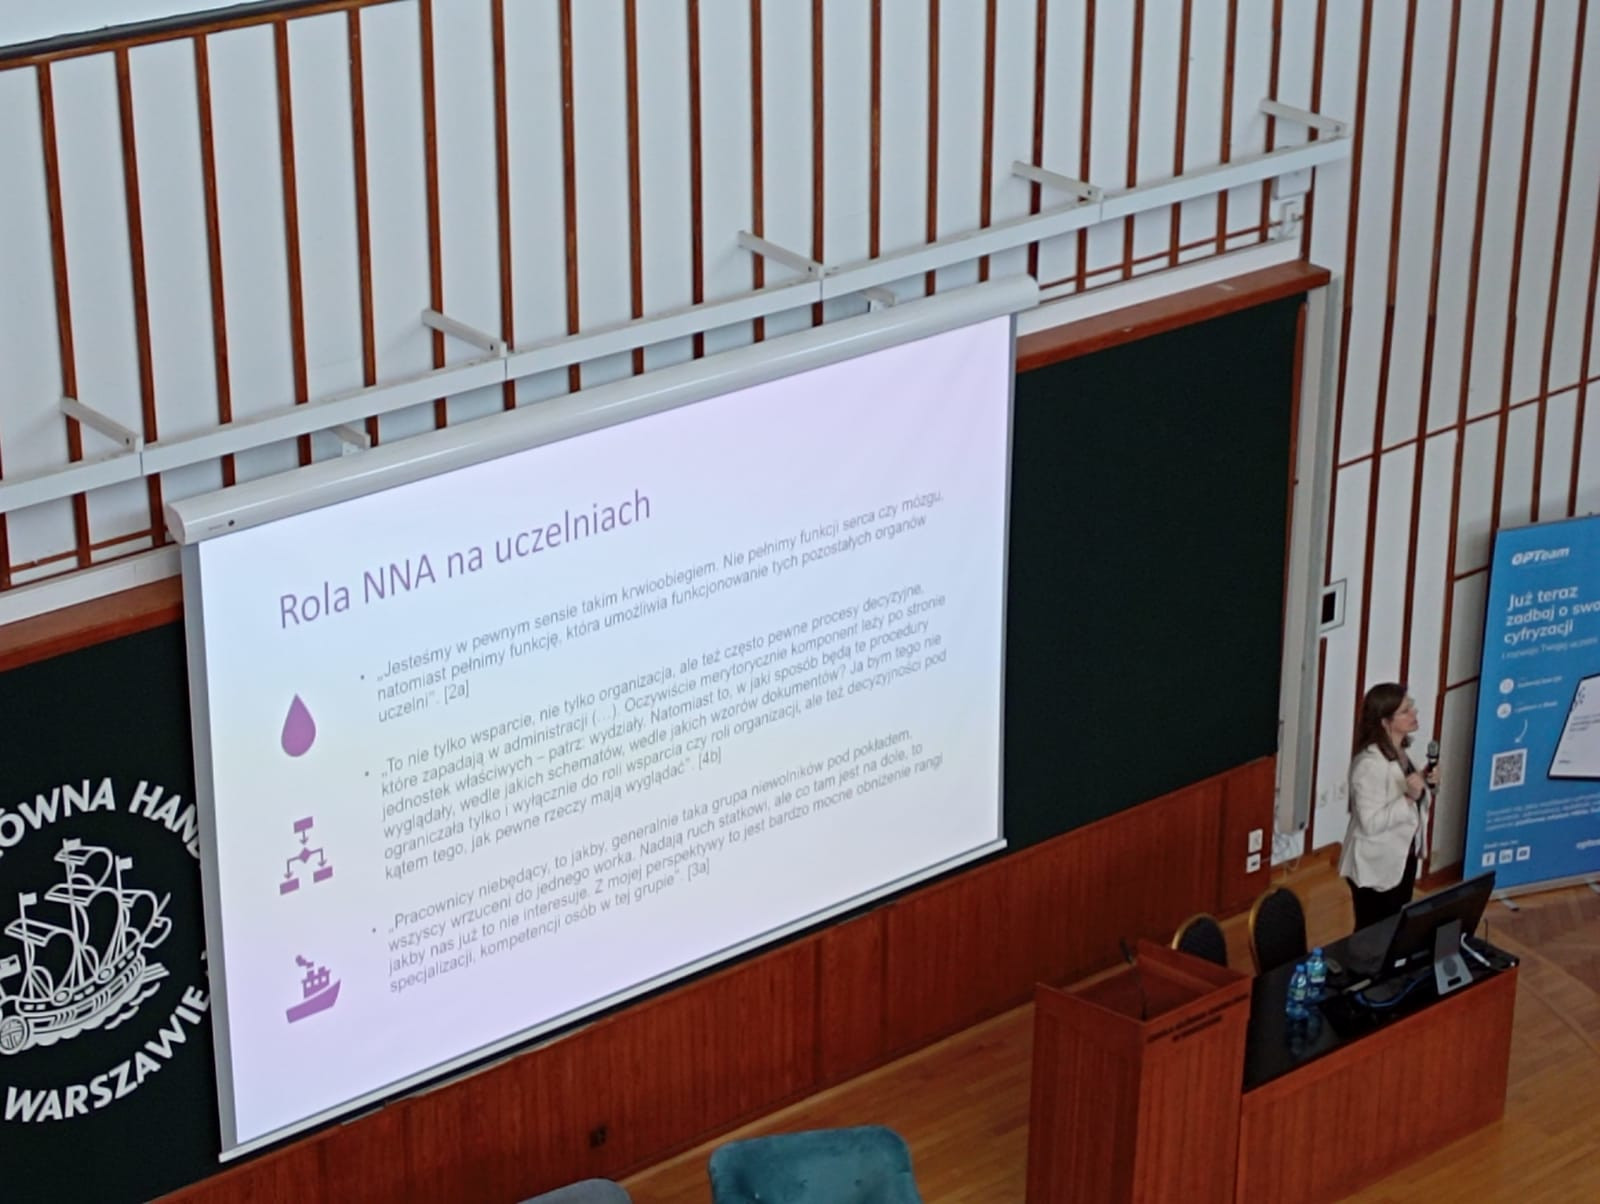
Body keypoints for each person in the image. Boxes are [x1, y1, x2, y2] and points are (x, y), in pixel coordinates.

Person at [1338, 682, 1437, 932]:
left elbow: (1412, 795)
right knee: (1373, 935)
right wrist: (1409, 798)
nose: (1414, 712)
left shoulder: (1401, 752)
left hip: (1401, 858)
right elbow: (1370, 824)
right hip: (1376, 867)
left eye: (1411, 706)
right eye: (1405, 711)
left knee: (1395, 930)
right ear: (1385, 722)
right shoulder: (1369, 765)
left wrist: (1427, 783)